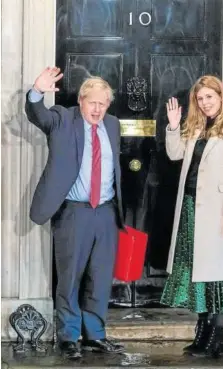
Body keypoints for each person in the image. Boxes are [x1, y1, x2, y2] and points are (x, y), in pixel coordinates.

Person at [25, 67, 125, 359]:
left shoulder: (113, 125)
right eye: (93, 102)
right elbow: (37, 115)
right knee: (69, 277)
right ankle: (68, 336)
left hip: (106, 213)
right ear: (81, 100)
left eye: (103, 104)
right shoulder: (61, 119)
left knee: (100, 276)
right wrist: (37, 92)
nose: (98, 109)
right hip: (73, 212)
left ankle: (95, 334)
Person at [160, 75, 223, 358]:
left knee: (215, 275)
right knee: (196, 272)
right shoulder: (196, 128)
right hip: (189, 208)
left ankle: (217, 337)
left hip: (217, 213)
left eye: (210, 97)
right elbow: (174, 154)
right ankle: (202, 334)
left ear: (221, 97)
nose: (205, 103)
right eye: (200, 99)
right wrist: (173, 125)